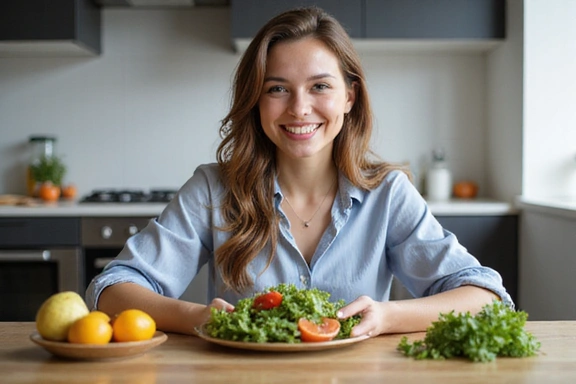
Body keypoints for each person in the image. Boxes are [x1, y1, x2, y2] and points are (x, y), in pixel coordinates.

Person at [86, 6, 512, 338]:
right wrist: (200, 317)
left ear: (349, 96)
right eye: (277, 89)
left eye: (320, 86)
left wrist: (387, 315)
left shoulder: (388, 193)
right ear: (256, 100)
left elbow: (487, 296)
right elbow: (111, 289)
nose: (299, 108)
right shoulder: (214, 190)